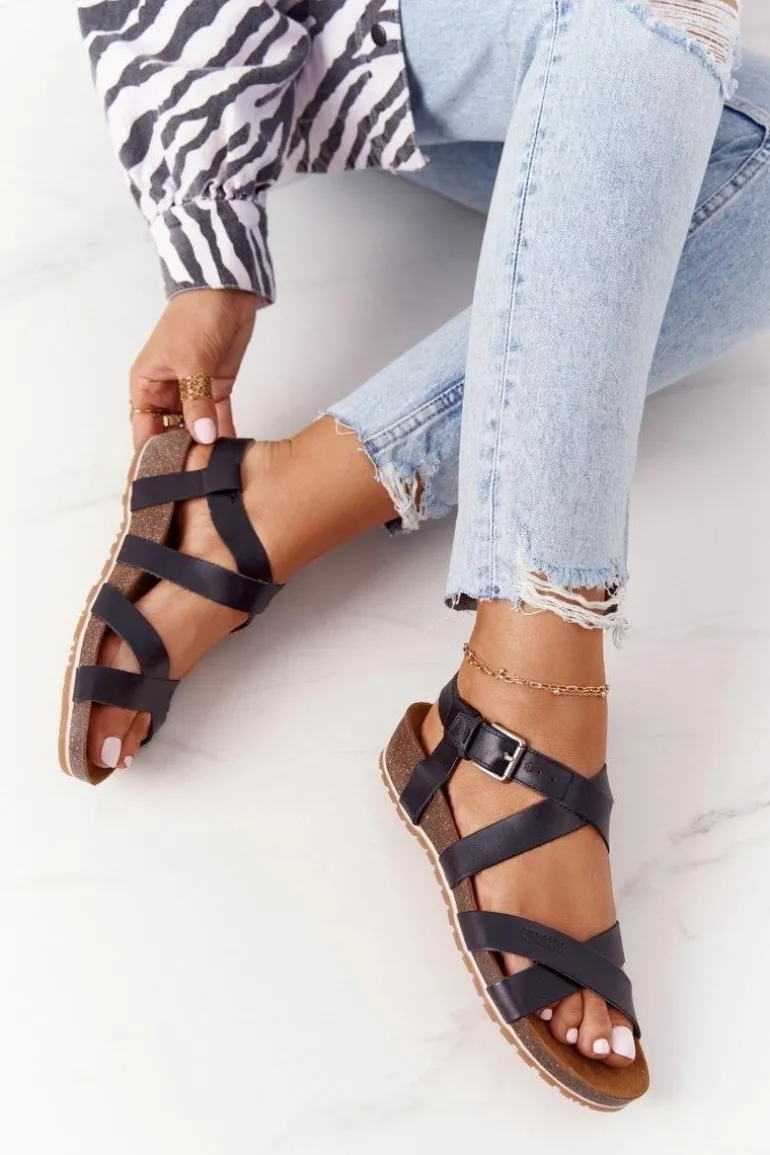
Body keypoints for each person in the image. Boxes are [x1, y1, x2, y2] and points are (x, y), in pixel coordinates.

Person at [62, 0, 769, 1110]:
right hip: (338, 35)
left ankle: (280, 500)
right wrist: (207, 248)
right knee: (650, 16)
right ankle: (533, 674)